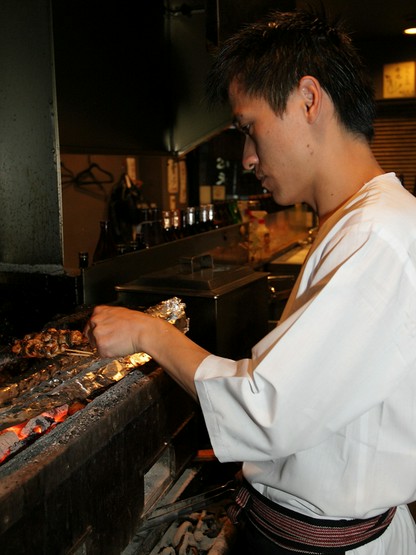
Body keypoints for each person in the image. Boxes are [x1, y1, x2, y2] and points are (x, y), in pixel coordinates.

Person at [85, 7, 416, 554]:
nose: (246, 157)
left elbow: (267, 411)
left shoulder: (376, 234)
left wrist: (150, 333)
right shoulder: (364, 221)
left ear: (308, 100)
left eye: (248, 128)